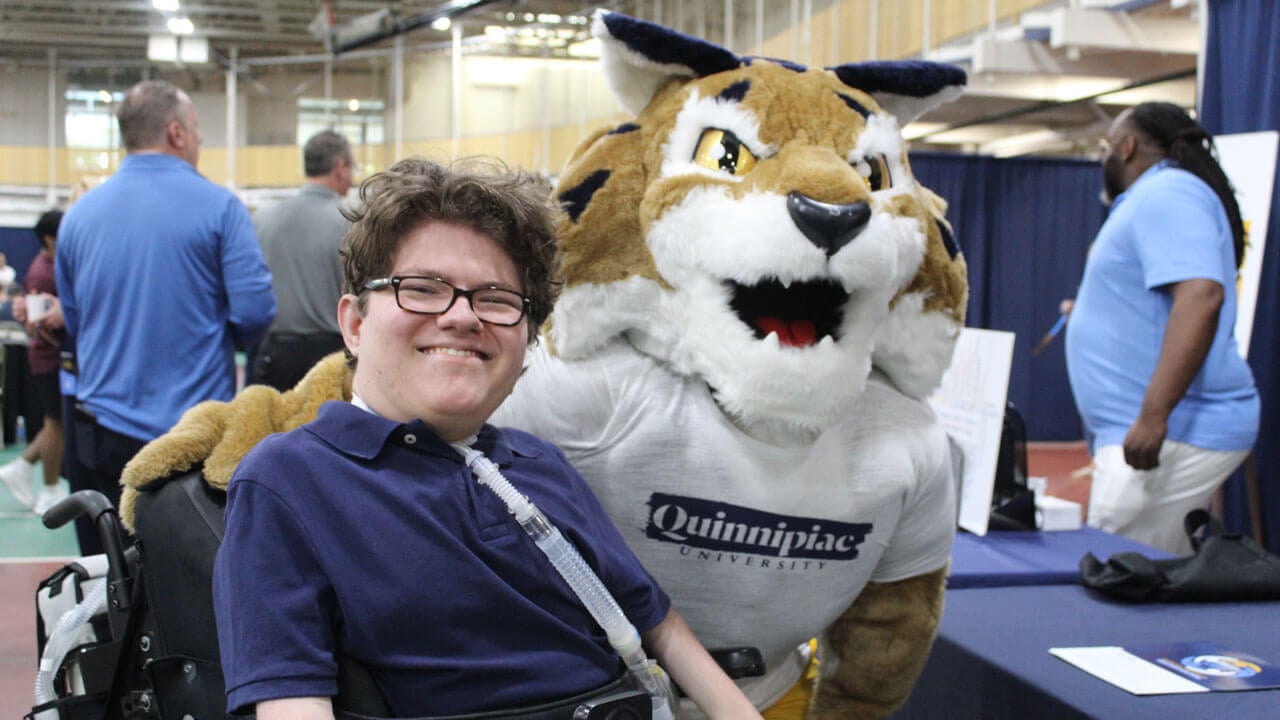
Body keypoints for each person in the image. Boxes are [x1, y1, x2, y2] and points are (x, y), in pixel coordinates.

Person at [212, 157, 762, 720]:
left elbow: (659, 629)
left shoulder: (539, 465)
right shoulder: (290, 481)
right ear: (355, 324)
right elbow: (291, 702)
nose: (461, 316)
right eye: (423, 289)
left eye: (496, 300)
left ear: (526, 345)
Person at [55, 79, 276, 554]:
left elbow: (73, 321)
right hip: (191, 437)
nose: (199, 140)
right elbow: (256, 311)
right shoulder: (222, 209)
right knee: (189, 587)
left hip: (103, 431)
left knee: (107, 578)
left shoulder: (77, 216)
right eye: (196, 129)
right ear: (176, 133)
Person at [1065, 102, 1259, 555]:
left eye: (1106, 147)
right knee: (1153, 585)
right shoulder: (1162, 196)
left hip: (1167, 437)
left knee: (1120, 579)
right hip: (1155, 435)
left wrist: (1153, 417)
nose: (1104, 158)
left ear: (1127, 147)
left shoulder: (1169, 194)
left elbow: (1201, 297)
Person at [249, 130, 354, 390]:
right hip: (331, 358)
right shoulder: (351, 223)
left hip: (272, 358)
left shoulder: (262, 219)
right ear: (340, 167)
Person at [0, 210, 69, 513]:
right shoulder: (44, 272)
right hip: (49, 359)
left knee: (59, 422)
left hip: (51, 357)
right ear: (50, 238)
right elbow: (37, 325)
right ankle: (50, 490)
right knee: (55, 423)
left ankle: (23, 467)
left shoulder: (52, 266)